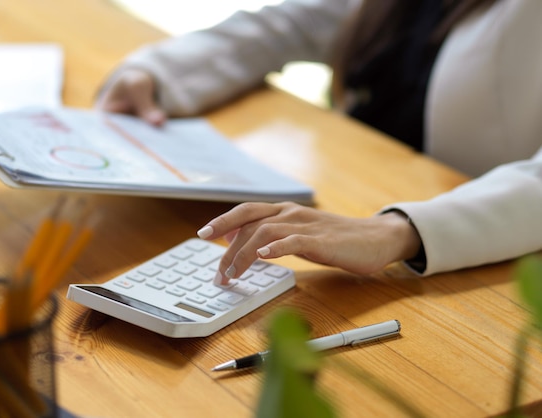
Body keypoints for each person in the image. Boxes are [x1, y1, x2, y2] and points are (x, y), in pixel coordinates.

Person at [96, 0, 542, 284]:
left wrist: (397, 230)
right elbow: (294, 23)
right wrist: (160, 72)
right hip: (356, 187)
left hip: (477, 254)